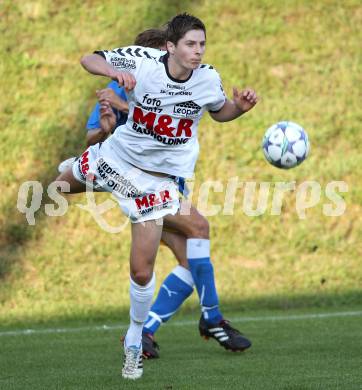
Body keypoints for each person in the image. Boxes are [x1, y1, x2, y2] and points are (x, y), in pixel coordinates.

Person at [56, 13, 258, 380]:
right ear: (170, 47)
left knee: (141, 268)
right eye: (190, 45)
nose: (197, 52)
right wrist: (113, 73)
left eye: (202, 44)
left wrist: (239, 109)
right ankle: (210, 319)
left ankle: (136, 339)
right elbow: (89, 58)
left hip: (155, 187)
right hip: (114, 158)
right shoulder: (142, 62)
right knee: (58, 187)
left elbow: (220, 111)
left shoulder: (208, 79)